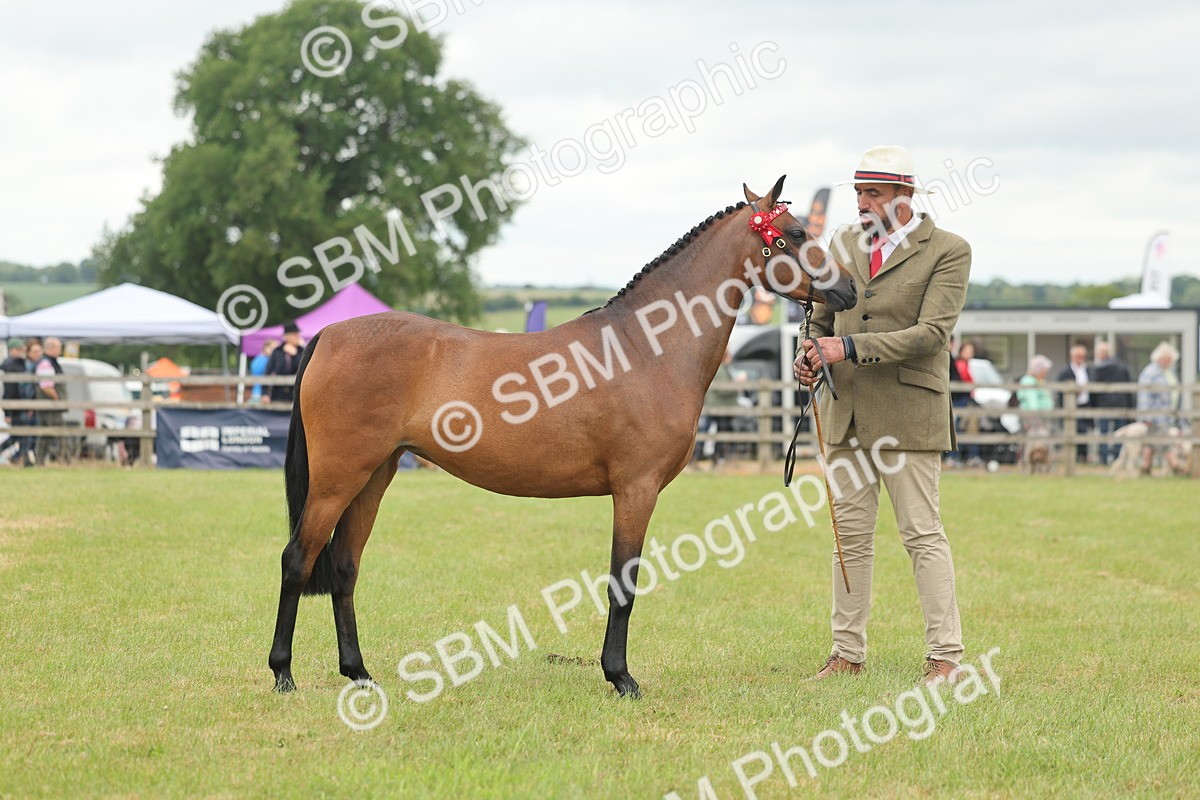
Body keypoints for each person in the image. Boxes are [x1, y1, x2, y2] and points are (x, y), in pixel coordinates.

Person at [794, 145, 971, 685]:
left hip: (909, 412)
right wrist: (809, 351)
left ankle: (946, 658)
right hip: (844, 411)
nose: (862, 202)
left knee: (921, 534)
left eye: (873, 193)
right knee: (848, 540)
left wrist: (846, 350)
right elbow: (820, 315)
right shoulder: (843, 242)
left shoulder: (947, 250)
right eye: (858, 193)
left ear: (904, 196)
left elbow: (932, 335)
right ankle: (846, 654)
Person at [1136, 342, 1182, 475]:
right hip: (1155, 415)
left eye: (1170, 359)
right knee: (1165, 441)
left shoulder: (1168, 371)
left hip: (1167, 414)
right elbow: (1144, 395)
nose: (1169, 361)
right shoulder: (1150, 373)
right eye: (1166, 358)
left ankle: (1145, 467)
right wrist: (1146, 416)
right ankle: (1175, 466)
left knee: (1151, 442)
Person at [1089, 342, 1135, 465]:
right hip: (1121, 405)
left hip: (1103, 406)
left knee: (1103, 433)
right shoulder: (1122, 367)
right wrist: (1130, 405)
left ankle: (1103, 459)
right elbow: (1129, 388)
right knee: (1119, 433)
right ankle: (1116, 458)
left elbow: (1093, 390)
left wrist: (1092, 406)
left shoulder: (1097, 369)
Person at [1055, 344, 1091, 463]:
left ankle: (1084, 457)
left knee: (1084, 432)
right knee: (1072, 431)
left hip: (1085, 406)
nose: (1079, 358)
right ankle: (1072, 458)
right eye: (1077, 356)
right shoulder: (1065, 372)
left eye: (1081, 356)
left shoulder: (1089, 370)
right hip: (1071, 406)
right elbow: (1059, 391)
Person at [35, 337, 67, 464]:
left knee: (46, 434)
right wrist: (57, 398)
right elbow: (46, 386)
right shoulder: (46, 363)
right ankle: (65, 460)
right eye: (58, 348)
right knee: (59, 432)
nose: (60, 351)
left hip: (50, 405)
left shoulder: (50, 362)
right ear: (51, 348)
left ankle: (40, 461)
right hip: (50, 405)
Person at [951, 341, 982, 465]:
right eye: (967, 351)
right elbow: (962, 383)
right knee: (959, 428)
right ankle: (955, 456)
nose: (970, 353)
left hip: (966, 399)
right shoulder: (960, 364)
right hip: (961, 399)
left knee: (968, 428)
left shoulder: (966, 365)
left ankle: (968, 457)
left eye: (971, 351)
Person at [1, 339, 29, 463]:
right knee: (20, 434)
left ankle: (21, 458)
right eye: (19, 349)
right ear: (12, 350)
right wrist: (8, 412)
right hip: (15, 405)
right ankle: (21, 458)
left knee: (21, 434)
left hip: (19, 405)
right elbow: (10, 391)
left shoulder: (19, 364)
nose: (22, 352)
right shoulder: (11, 365)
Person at [266, 323, 305, 403]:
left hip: (295, 394)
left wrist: (295, 355)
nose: (297, 337)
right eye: (295, 335)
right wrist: (264, 394)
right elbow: (268, 371)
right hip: (278, 393)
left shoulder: (302, 352)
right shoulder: (277, 351)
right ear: (288, 337)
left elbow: (302, 368)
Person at [250, 339, 278, 403]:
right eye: (273, 348)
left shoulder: (256, 359)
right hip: (261, 394)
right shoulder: (265, 361)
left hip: (256, 392)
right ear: (266, 348)